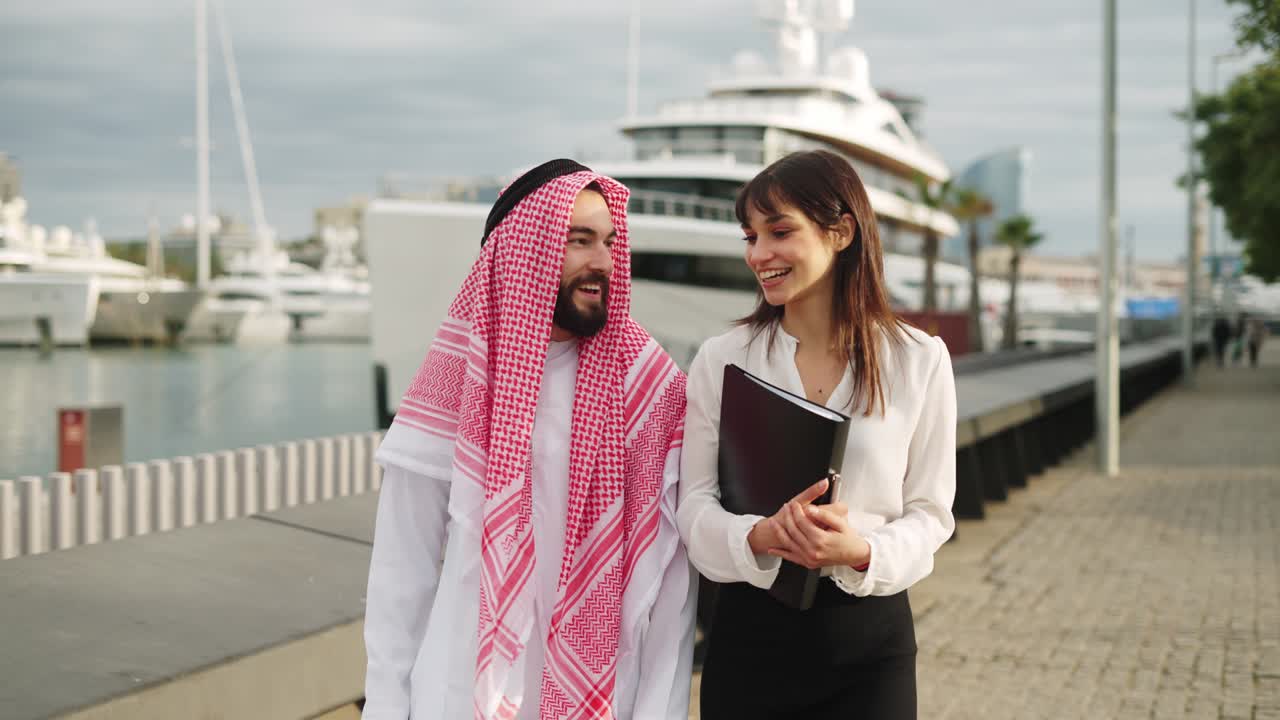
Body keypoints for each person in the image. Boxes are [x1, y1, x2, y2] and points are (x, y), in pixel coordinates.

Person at [362, 159, 696, 720]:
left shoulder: (648, 387)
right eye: (579, 240)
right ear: (524, 251)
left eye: (609, 242)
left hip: (603, 697)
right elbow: (403, 566)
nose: (603, 262)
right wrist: (385, 708)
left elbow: (670, 586)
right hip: (459, 692)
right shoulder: (461, 372)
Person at [677, 150, 957, 719]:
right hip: (749, 642)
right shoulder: (722, 359)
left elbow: (931, 513)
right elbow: (693, 506)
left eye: (779, 232)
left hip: (869, 648)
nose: (759, 253)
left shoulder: (919, 359)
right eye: (751, 236)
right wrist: (759, 535)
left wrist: (862, 551)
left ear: (841, 232)